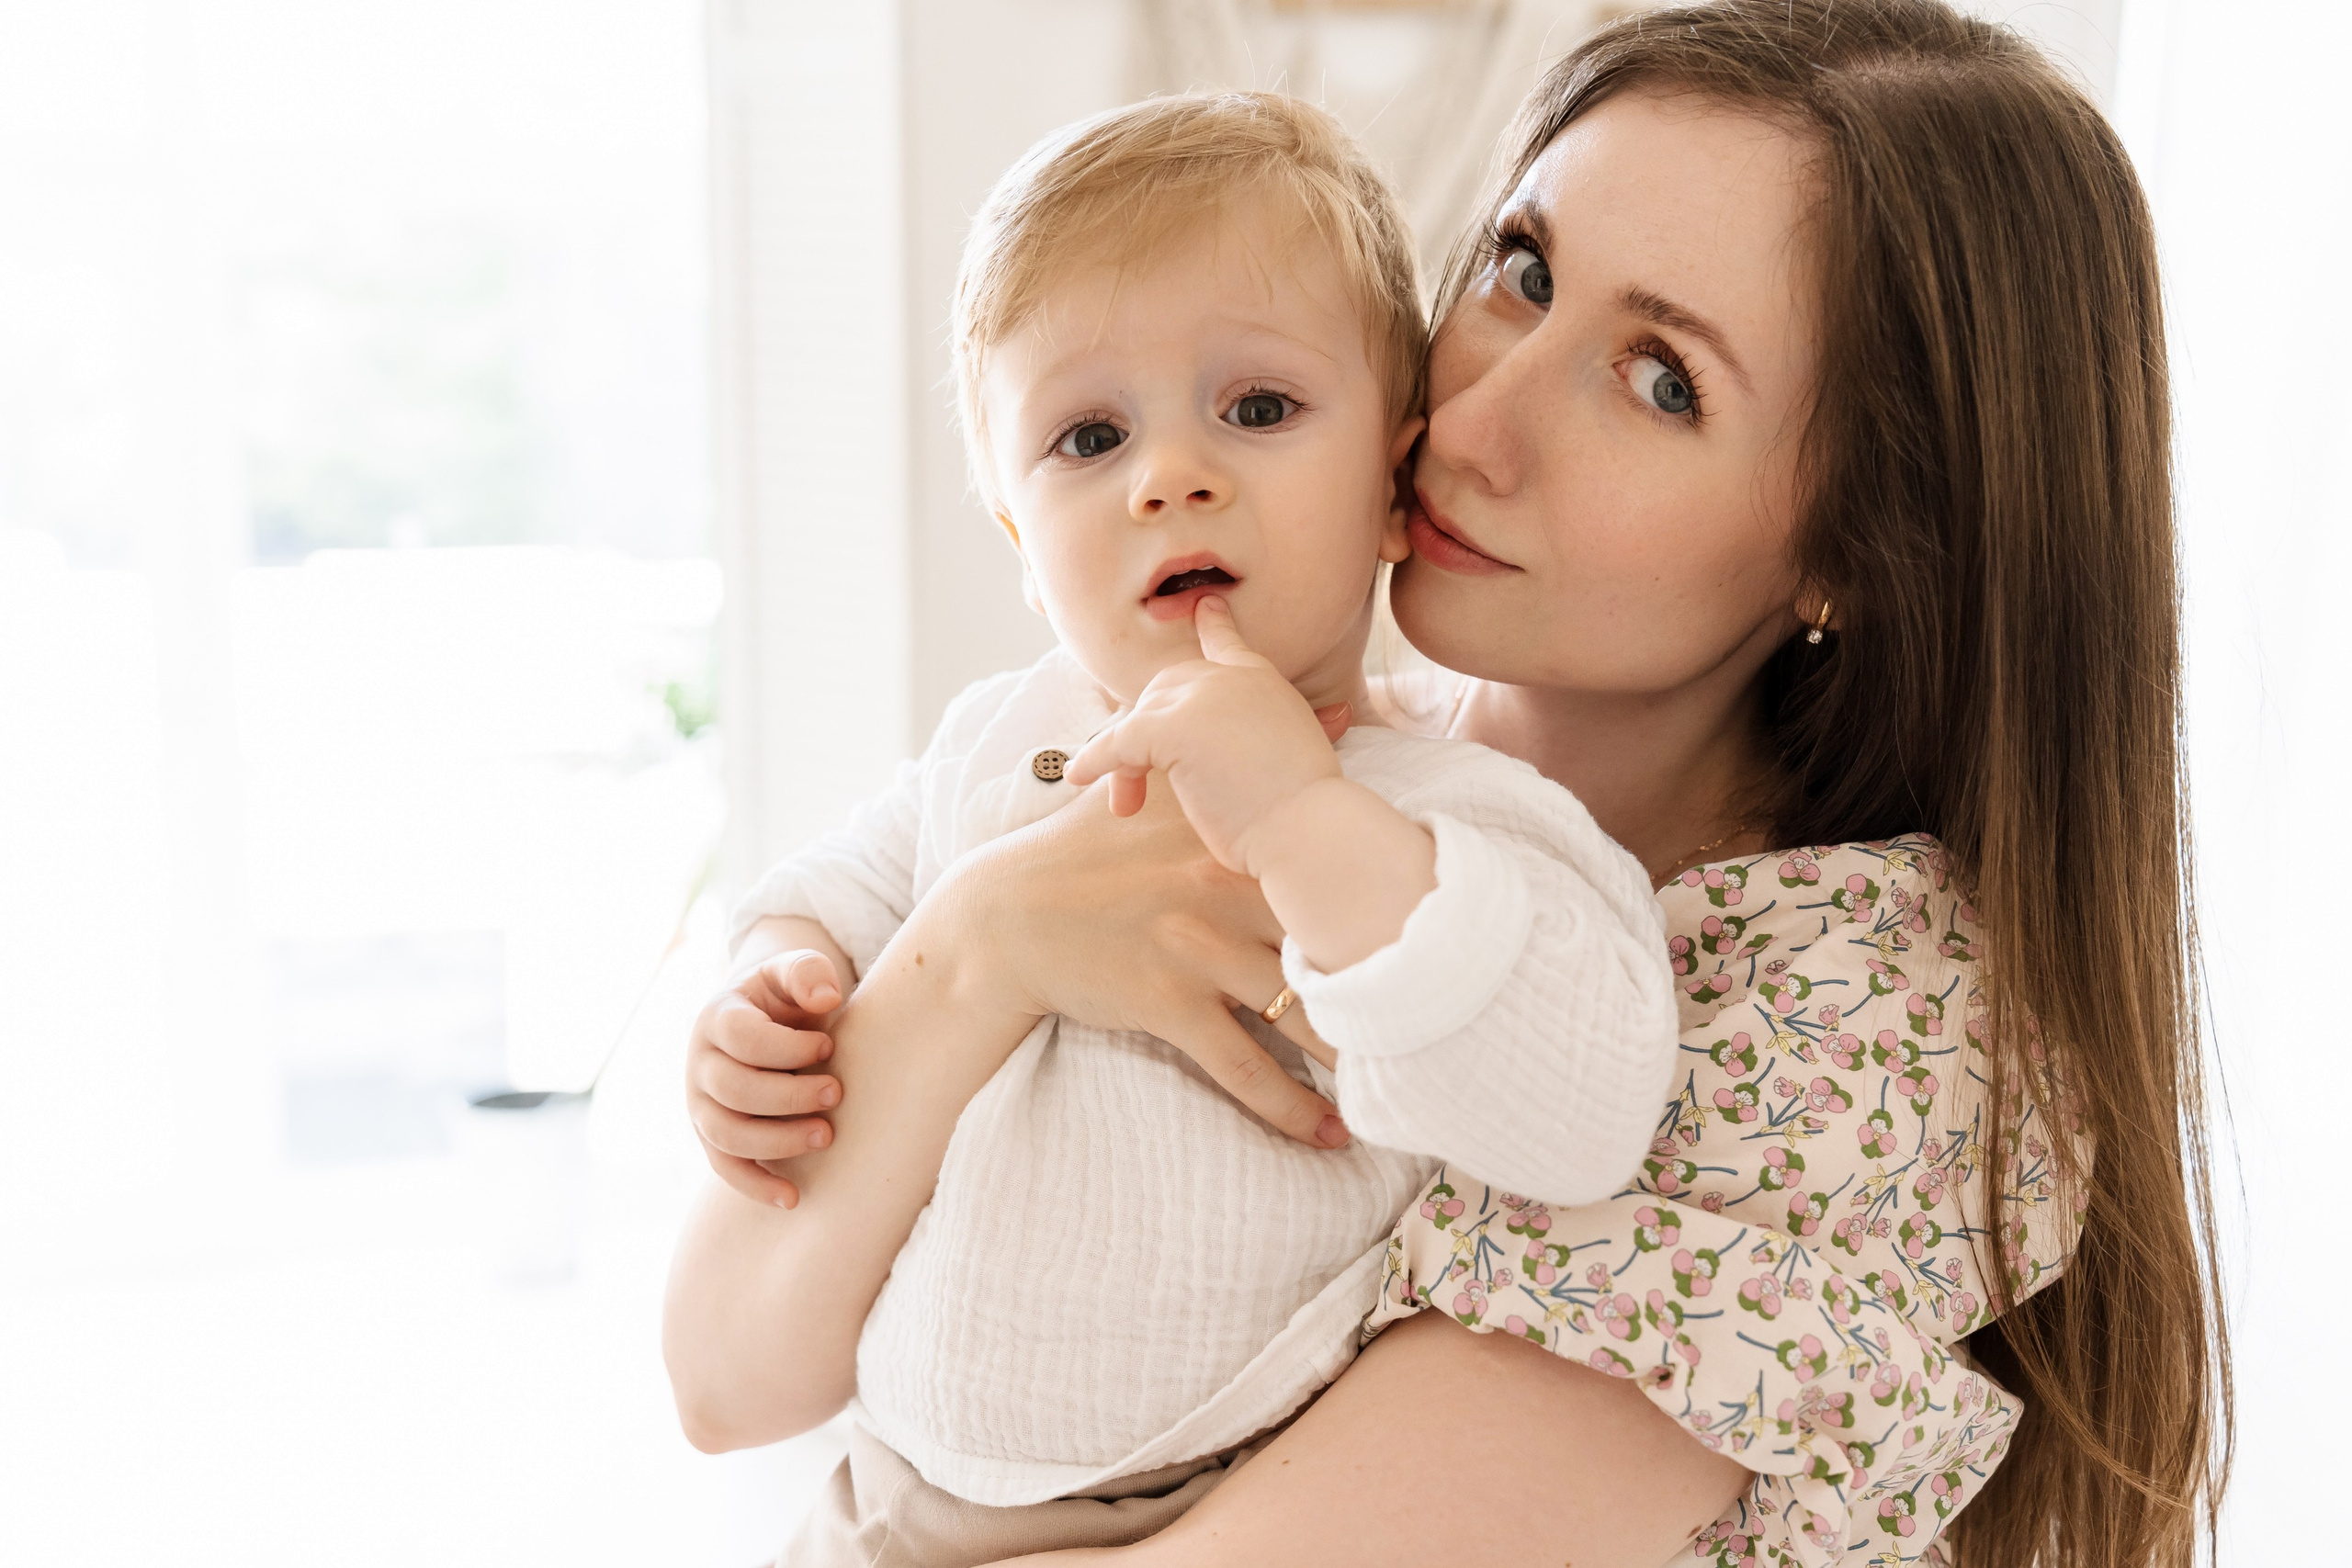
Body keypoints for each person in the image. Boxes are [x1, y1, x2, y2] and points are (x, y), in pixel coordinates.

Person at [669, 4, 2232, 1565]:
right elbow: (723, 1373)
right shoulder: (1277, 739)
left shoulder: (1866, 1033)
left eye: (1661, 379)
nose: (1471, 422)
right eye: (1523, 270)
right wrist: (975, 944)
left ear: (1857, 550)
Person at [686, 90, 1679, 1532]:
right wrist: (766, 996)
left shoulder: (1454, 815)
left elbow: (1590, 1105)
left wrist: (1297, 811)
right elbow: (839, 891)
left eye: (1259, 408)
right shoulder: (1003, 744)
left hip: (1213, 1503)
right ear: (1025, 547)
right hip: (890, 1498)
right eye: (1087, 438)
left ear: (1394, 485)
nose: (1170, 476)